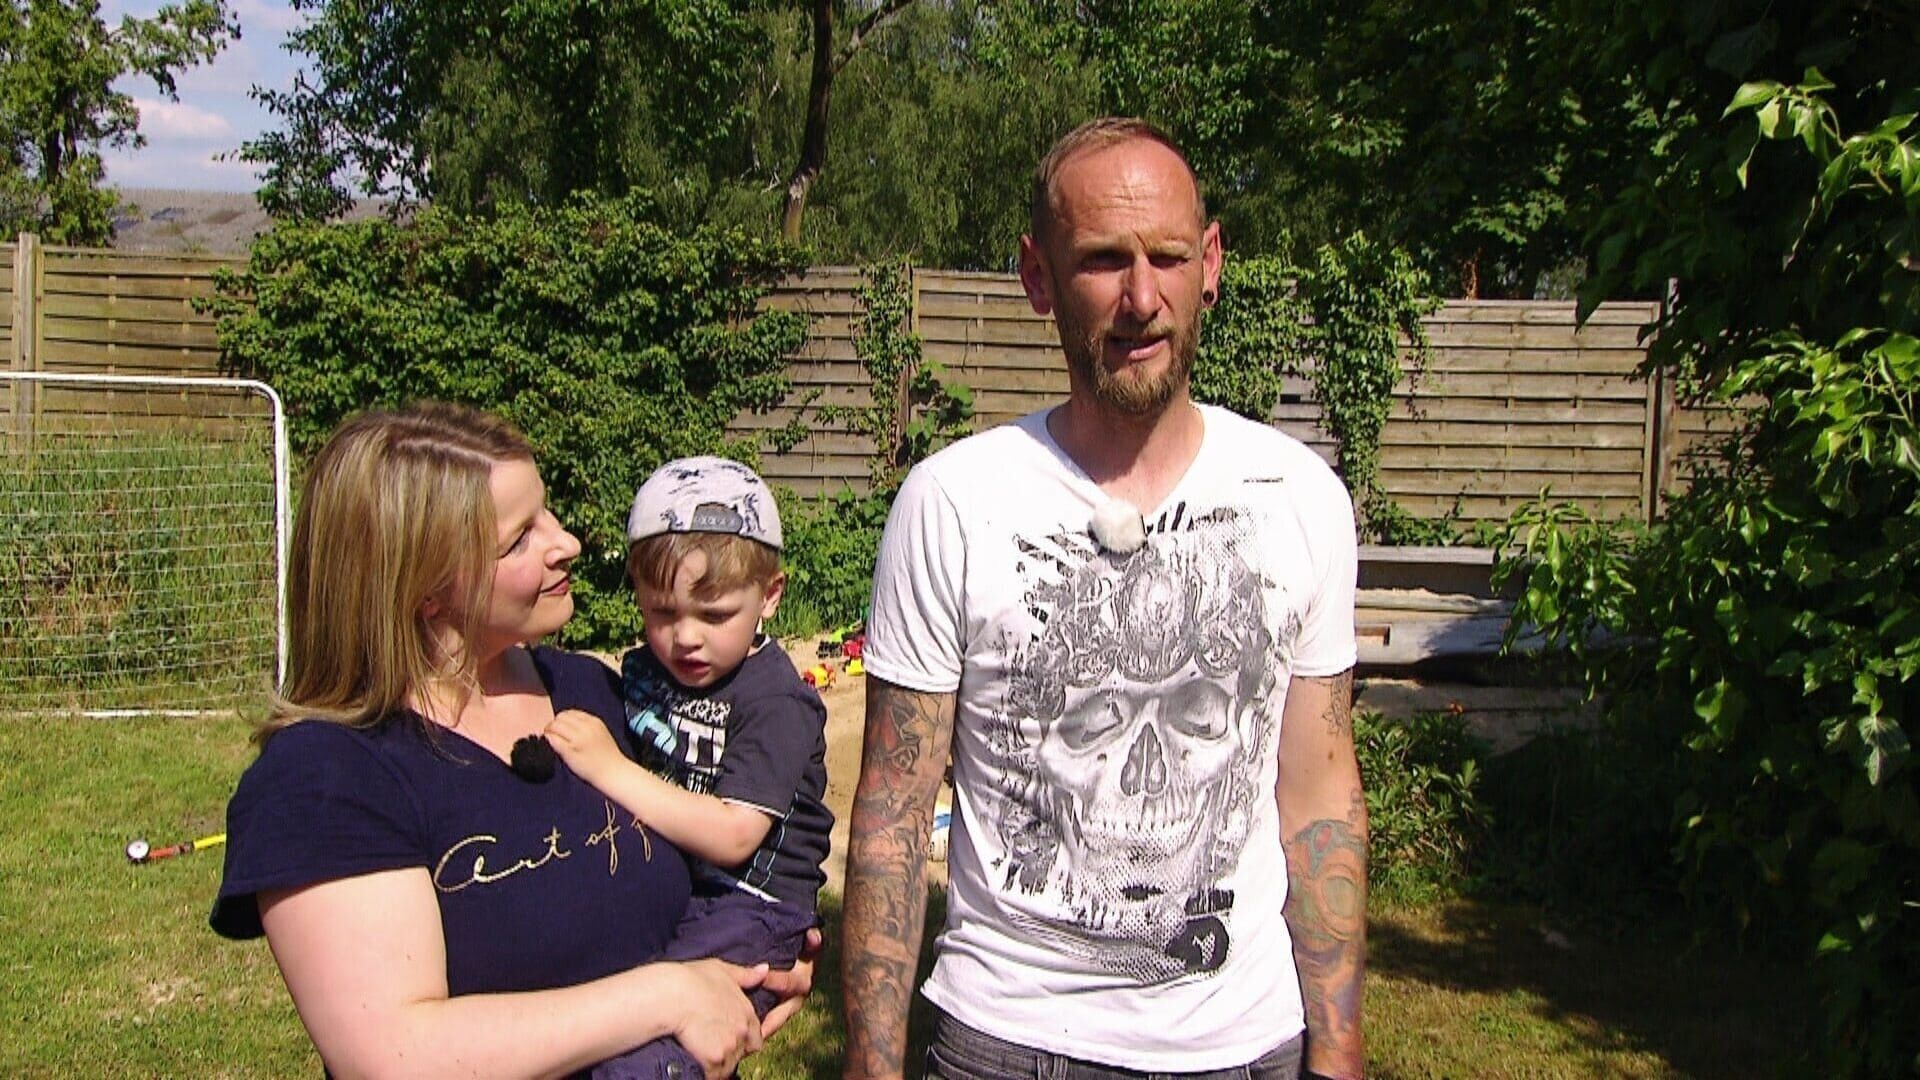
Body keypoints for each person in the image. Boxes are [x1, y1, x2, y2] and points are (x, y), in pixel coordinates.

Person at [839, 117, 1368, 1080]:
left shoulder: (1299, 498)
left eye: (1168, 256)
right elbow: (893, 815)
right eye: (1102, 260)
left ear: (1211, 263)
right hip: (1008, 1042)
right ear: (1038, 276)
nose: (1141, 299)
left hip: (1246, 1046)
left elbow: (1320, 800)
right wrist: (871, 1068)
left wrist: (1338, 1053)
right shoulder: (953, 502)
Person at [210, 403, 811, 1078]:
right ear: (425, 588)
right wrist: (668, 997)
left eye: (546, 513)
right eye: (521, 538)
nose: (567, 543)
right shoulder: (325, 778)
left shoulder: (591, 692)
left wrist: (754, 963)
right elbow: (393, 1056)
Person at [545, 456, 833, 1080]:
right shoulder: (647, 674)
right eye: (662, 612)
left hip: (753, 905)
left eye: (715, 615)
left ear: (770, 597)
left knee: (661, 1050)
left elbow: (734, 835)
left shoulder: (776, 701)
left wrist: (609, 768)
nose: (686, 638)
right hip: (687, 890)